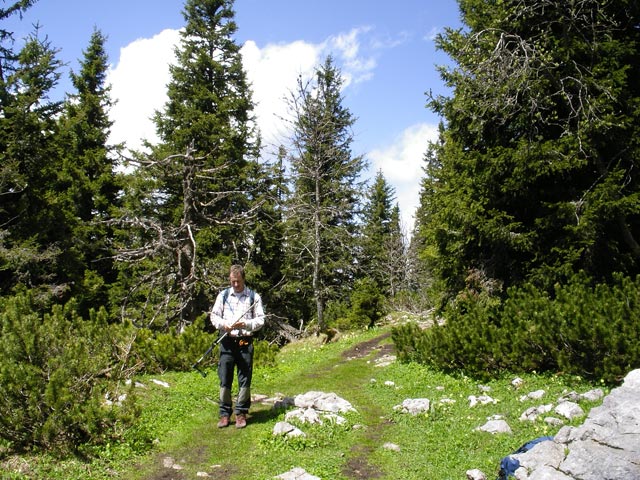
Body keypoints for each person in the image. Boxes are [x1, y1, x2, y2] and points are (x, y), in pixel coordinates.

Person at [210, 264, 265, 429]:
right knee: (225, 376)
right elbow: (214, 316)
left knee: (244, 377)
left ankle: (241, 413)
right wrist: (223, 324)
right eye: (233, 281)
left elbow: (261, 320)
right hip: (227, 340)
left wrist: (246, 324)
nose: (235, 285)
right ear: (230, 279)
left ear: (243, 279)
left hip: (245, 342)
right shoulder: (223, 295)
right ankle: (224, 413)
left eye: (238, 282)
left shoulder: (253, 297)